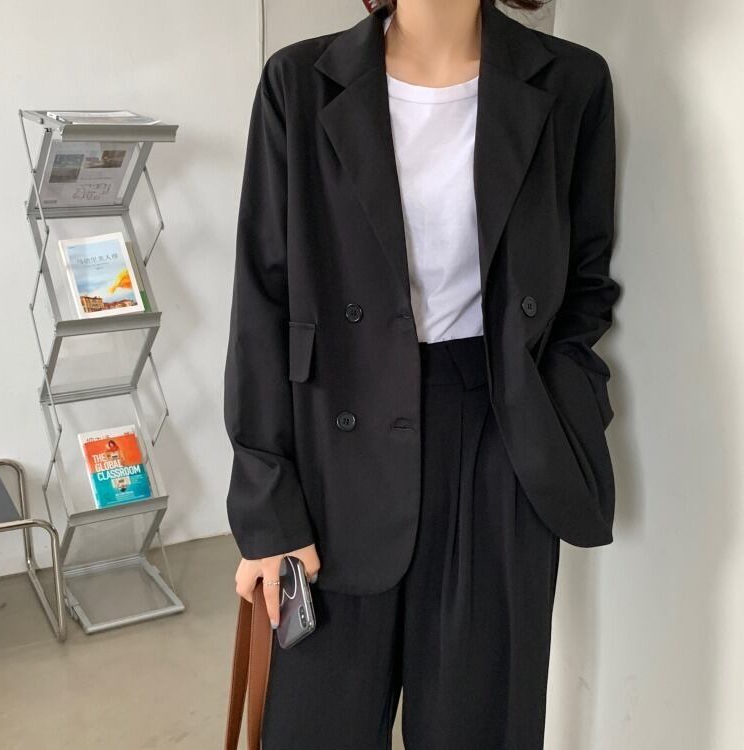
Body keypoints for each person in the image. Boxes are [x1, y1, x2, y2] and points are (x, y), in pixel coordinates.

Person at [223, 0, 620, 747]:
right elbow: (262, 306)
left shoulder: (572, 83)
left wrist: (562, 410)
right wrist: (267, 510)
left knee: (483, 728)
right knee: (317, 728)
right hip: (334, 453)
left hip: (498, 447)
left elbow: (585, 283)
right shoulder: (299, 83)